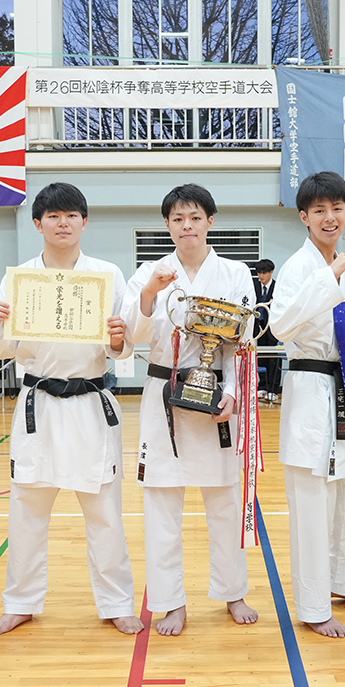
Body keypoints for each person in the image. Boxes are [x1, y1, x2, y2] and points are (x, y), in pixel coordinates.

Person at [0, 182, 141, 637]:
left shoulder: (106, 274)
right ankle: (20, 602)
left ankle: (117, 603)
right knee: (26, 512)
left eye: (72, 215)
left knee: (105, 512)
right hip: (39, 405)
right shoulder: (20, 280)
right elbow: (4, 349)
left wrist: (118, 339)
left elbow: (122, 348)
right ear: (38, 224)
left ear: (85, 222)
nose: (63, 223)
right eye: (53, 216)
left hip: (91, 403)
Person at [122, 183, 258, 637]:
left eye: (195, 217)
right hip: (164, 393)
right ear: (167, 225)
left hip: (215, 394)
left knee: (224, 502)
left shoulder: (235, 272)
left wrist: (234, 392)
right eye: (178, 219)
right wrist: (149, 294)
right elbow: (133, 337)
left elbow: (243, 341)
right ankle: (170, 603)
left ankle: (232, 592)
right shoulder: (150, 273)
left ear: (210, 222)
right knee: (161, 505)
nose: (187, 226)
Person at [269, 171, 345, 639]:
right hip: (312, 392)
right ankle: (314, 607)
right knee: (314, 506)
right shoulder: (300, 267)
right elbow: (281, 325)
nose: (329, 217)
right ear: (304, 217)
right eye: (319, 210)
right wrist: (328, 277)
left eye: (336, 208)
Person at [253, 259, 281, 401]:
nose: (261, 276)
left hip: (272, 327)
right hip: (258, 327)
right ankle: (262, 386)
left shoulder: (277, 287)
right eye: (259, 273)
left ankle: (273, 388)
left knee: (274, 358)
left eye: (264, 273)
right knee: (260, 357)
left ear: (271, 272)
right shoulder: (254, 286)